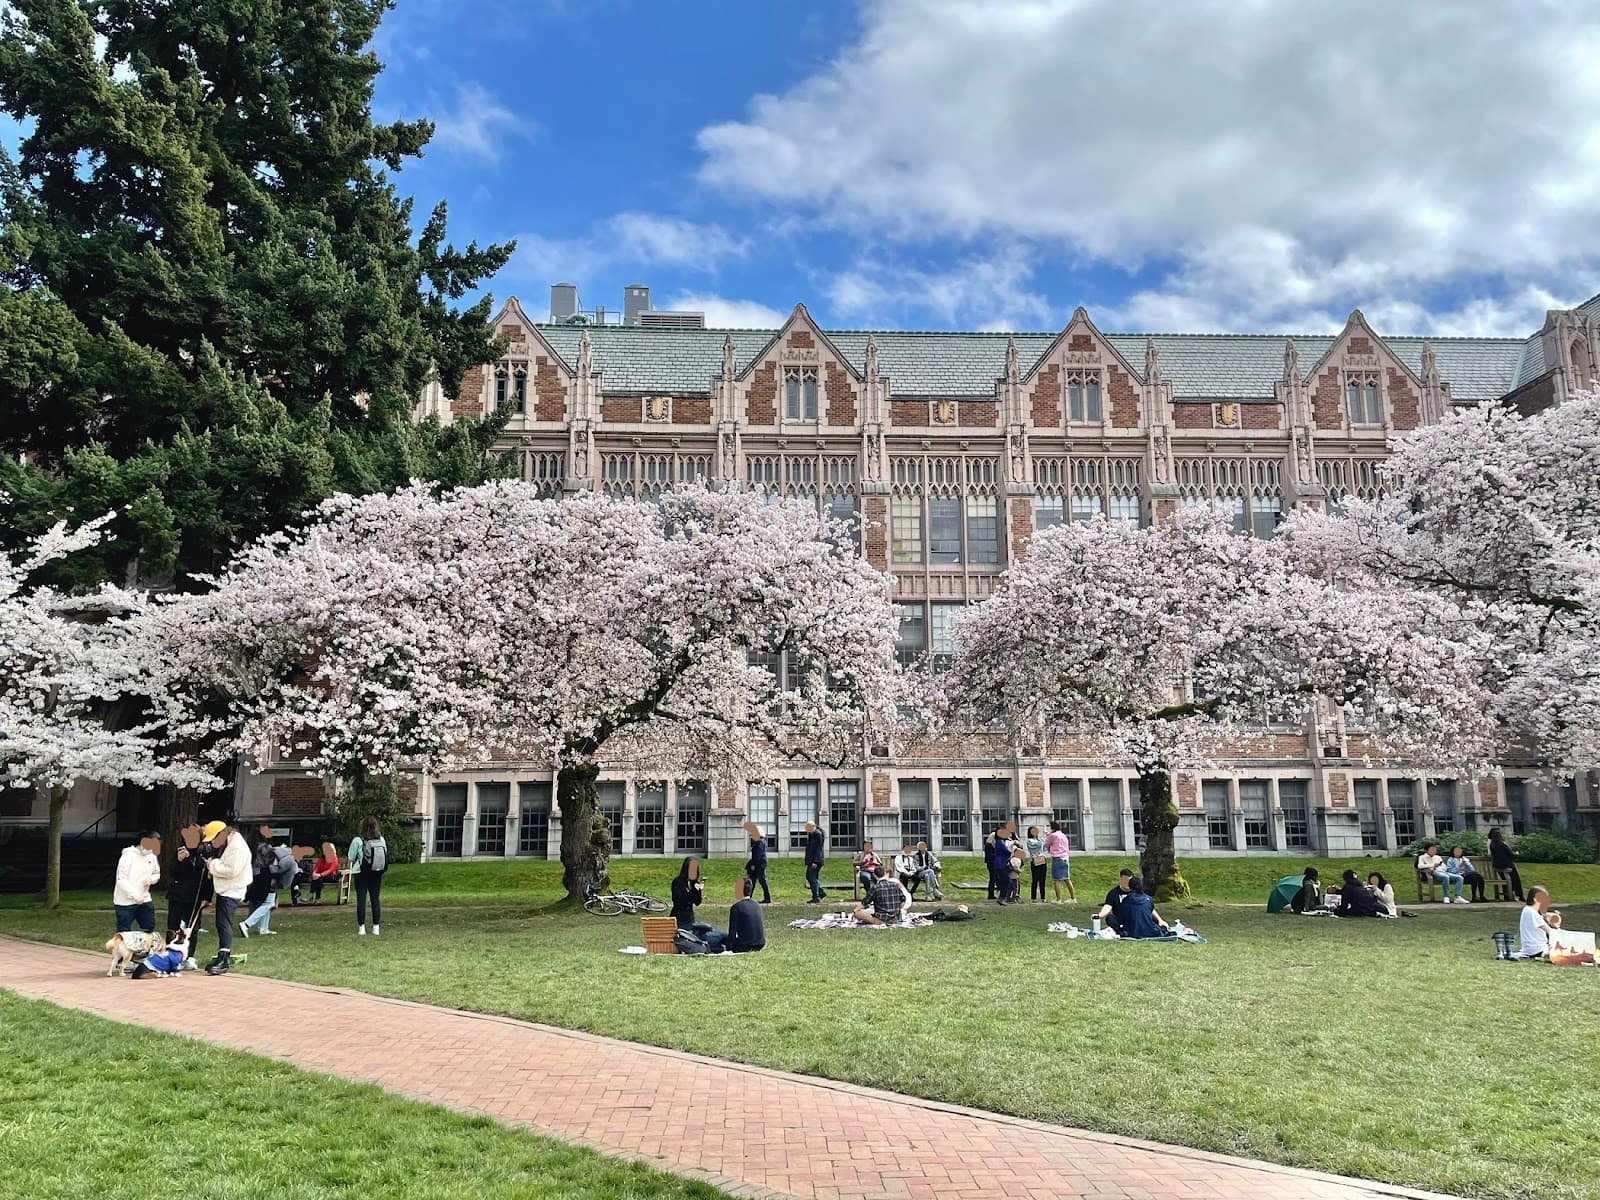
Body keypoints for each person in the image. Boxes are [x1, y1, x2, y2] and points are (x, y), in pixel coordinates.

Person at [201, 820, 251, 975]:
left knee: (224, 923)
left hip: (232, 889)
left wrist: (212, 865)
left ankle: (224, 958)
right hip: (228, 888)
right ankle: (222, 954)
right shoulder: (230, 842)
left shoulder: (237, 847)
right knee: (221, 922)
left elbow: (231, 870)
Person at [166, 824, 213, 969]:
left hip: (195, 897)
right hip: (177, 894)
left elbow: (207, 878)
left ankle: (190, 956)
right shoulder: (180, 851)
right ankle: (170, 954)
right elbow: (172, 872)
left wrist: (207, 897)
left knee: (192, 927)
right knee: (173, 925)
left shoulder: (204, 854)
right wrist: (179, 862)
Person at [241, 837, 296, 936]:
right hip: (270, 881)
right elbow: (275, 869)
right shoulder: (285, 857)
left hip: (261, 878)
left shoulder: (269, 850)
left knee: (266, 904)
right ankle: (246, 924)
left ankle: (263, 928)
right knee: (268, 904)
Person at [113, 831, 162, 934]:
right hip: (125, 901)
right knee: (124, 931)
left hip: (145, 898)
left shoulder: (152, 856)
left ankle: (144, 948)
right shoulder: (128, 856)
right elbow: (121, 879)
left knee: (149, 926)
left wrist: (151, 879)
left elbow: (157, 873)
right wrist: (135, 895)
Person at [350, 815, 388, 936]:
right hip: (376, 871)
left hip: (361, 872)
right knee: (375, 898)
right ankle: (376, 927)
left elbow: (351, 857)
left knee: (361, 899)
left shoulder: (358, 840)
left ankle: (362, 928)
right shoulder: (381, 840)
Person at [723, 878, 766, 954]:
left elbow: (732, 933)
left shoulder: (736, 907)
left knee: (721, 937)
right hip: (760, 943)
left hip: (744, 945)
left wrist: (728, 947)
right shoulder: (757, 905)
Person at [1517, 886, 1561, 959]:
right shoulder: (1532, 913)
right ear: (1535, 899)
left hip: (1530, 949)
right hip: (1537, 949)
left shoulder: (1527, 910)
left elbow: (1542, 915)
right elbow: (1550, 931)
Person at [1488, 827, 1524, 902]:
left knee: (1504, 879)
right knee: (1515, 879)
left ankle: (1506, 895)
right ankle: (1520, 895)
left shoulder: (1492, 844)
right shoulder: (1502, 845)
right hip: (1506, 865)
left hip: (1497, 866)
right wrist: (1517, 854)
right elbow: (1511, 855)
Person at [670, 855, 705, 929]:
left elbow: (697, 902)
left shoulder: (694, 882)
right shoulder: (677, 882)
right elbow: (679, 901)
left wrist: (698, 891)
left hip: (689, 917)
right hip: (678, 917)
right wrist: (692, 892)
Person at [1044, 821, 1076, 903]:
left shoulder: (1053, 835)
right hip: (1065, 858)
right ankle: (1073, 898)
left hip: (1057, 858)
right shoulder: (1063, 835)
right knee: (1067, 879)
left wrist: (1047, 836)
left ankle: (1058, 899)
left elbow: (1047, 844)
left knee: (1057, 880)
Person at [742, 821, 771, 904]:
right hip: (760, 864)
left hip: (759, 865)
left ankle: (766, 897)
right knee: (754, 880)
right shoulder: (761, 842)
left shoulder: (759, 843)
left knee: (761, 881)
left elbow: (757, 855)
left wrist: (753, 865)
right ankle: (749, 897)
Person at [803, 820, 826, 903]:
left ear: (813, 827)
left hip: (816, 860)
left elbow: (818, 849)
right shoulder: (811, 834)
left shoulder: (818, 835)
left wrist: (815, 861)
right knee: (811, 877)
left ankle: (816, 896)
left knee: (811, 877)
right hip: (811, 859)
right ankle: (820, 893)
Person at [1025, 826, 1048, 902]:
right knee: (1035, 879)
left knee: (1042, 880)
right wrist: (1044, 838)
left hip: (1042, 860)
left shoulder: (1039, 839)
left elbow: (1044, 847)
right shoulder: (1030, 841)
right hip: (1035, 861)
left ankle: (1043, 897)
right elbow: (1036, 846)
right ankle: (1033, 897)